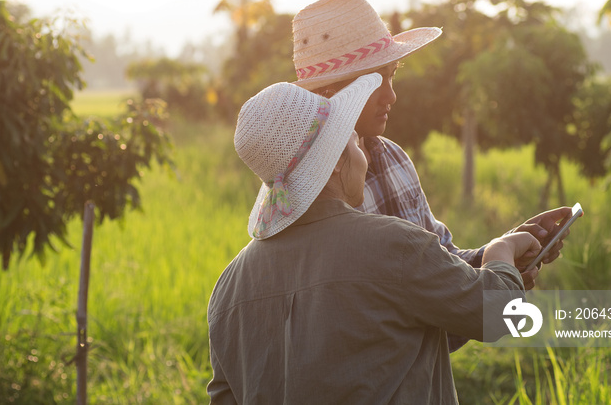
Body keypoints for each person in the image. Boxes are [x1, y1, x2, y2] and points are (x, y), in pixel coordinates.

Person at [207, 74, 542, 404]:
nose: (364, 154)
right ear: (337, 161)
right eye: (354, 142)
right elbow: (501, 314)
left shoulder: (228, 288)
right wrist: (502, 249)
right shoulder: (394, 245)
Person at [290, 0, 571, 294]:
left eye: (391, 76)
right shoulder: (309, 189)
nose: (391, 96)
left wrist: (504, 252)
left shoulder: (394, 159)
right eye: (374, 81)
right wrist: (491, 283)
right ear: (331, 93)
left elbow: (442, 261)